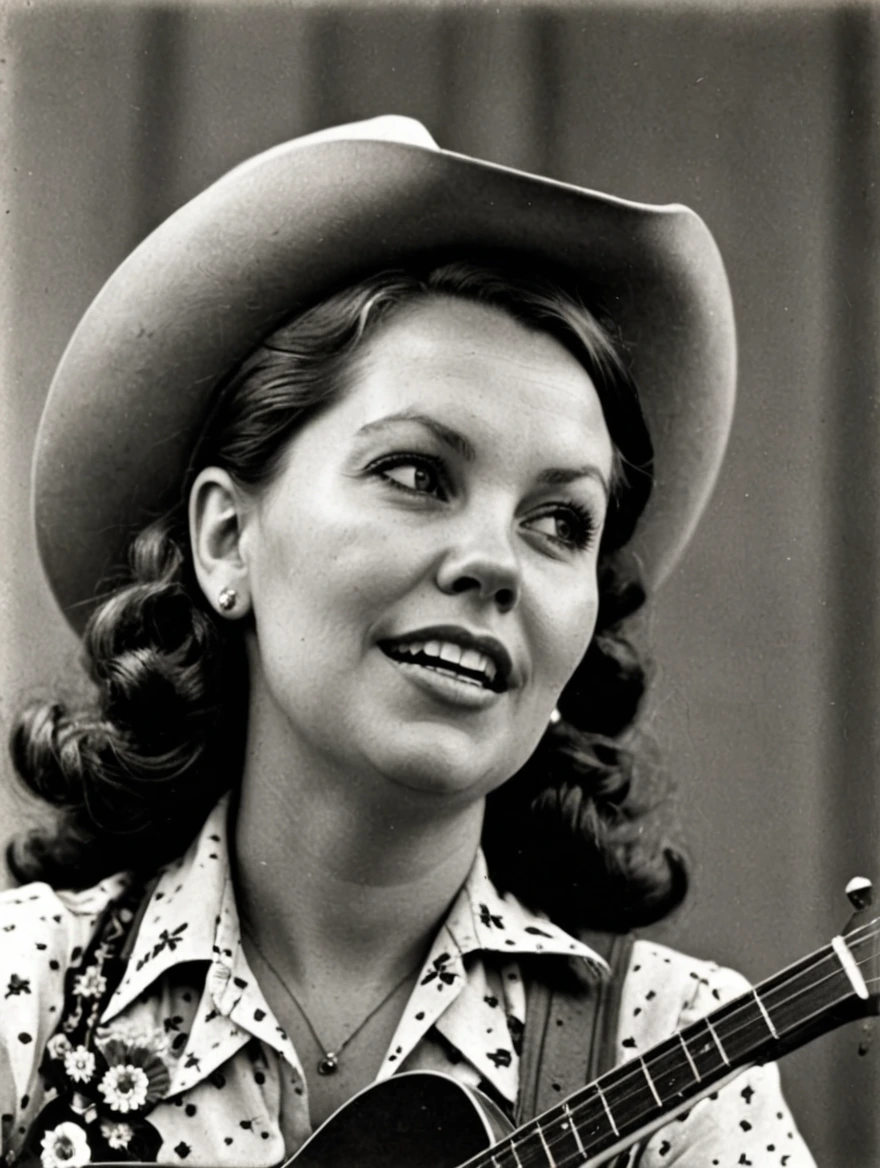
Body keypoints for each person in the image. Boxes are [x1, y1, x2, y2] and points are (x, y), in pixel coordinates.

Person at [0, 116, 815, 1167]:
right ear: (225, 539)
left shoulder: (677, 1057)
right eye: (418, 474)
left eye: (561, 523)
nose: (497, 563)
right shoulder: (26, 990)